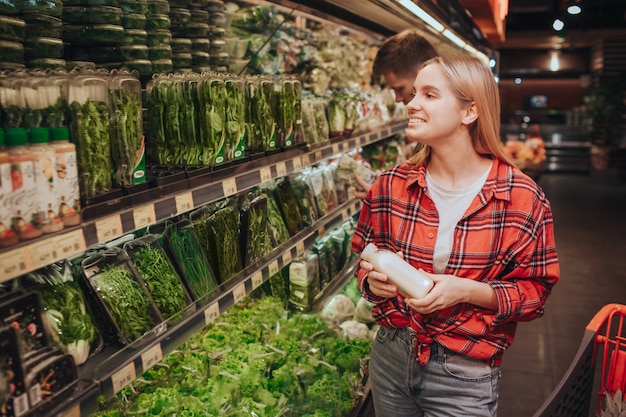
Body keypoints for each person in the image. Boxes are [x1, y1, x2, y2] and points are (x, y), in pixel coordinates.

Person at [351, 55, 560, 417]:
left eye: (430, 95)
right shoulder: (390, 185)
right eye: (414, 92)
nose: (411, 103)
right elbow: (364, 258)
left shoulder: (520, 198)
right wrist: (373, 282)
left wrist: (465, 291)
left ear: (469, 112)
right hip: (390, 355)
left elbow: (535, 294)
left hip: (464, 372)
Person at [353, 30, 438, 199]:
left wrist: (388, 198)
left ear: (423, 73)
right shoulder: (428, 134)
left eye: (400, 89)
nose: (398, 99)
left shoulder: (445, 134)